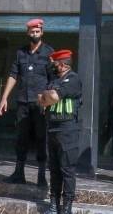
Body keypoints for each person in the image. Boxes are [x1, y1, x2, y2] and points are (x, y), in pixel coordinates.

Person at [0, 18, 54, 186]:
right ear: (27, 33)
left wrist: (48, 101)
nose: (35, 34)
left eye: (37, 31)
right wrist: (4, 98)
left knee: (41, 138)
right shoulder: (20, 52)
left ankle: (41, 175)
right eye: (32, 32)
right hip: (23, 102)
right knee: (21, 138)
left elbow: (52, 80)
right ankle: (19, 173)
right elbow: (13, 75)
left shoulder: (49, 52)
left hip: (41, 104)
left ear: (42, 32)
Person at [38, 49, 82, 214]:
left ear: (63, 65)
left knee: (67, 170)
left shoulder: (73, 79)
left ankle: (67, 207)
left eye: (56, 64)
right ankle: (54, 205)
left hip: (67, 130)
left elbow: (53, 97)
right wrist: (47, 96)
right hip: (52, 129)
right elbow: (41, 100)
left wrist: (47, 96)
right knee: (54, 170)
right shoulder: (54, 80)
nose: (53, 66)